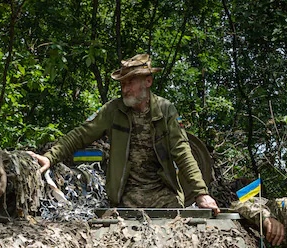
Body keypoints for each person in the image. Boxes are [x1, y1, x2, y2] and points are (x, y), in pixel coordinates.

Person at [29, 53, 220, 213]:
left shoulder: (165, 110)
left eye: (130, 83)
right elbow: (81, 134)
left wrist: (201, 193)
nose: (125, 89)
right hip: (125, 201)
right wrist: (50, 157)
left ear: (148, 81)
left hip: (164, 199)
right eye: (122, 84)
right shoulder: (113, 111)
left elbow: (183, 152)